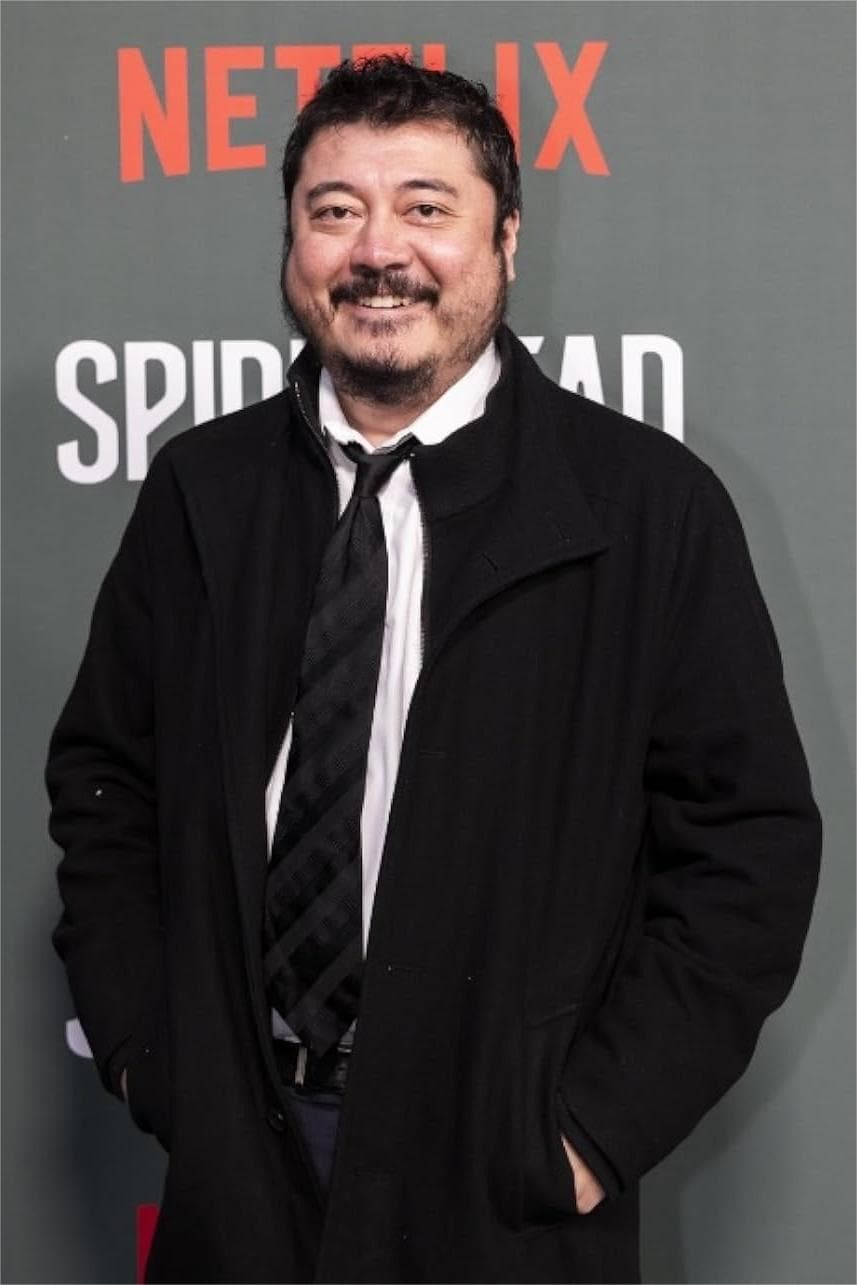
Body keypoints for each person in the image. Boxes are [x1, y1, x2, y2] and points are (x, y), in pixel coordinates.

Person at [47, 55, 821, 1285]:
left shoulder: (646, 508)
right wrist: (152, 1056)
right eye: (334, 209)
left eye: (425, 206)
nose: (377, 250)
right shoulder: (201, 493)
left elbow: (746, 852)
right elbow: (106, 788)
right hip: (238, 1166)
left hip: (499, 1186)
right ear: (292, 243)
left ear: (504, 239)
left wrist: (586, 1131)